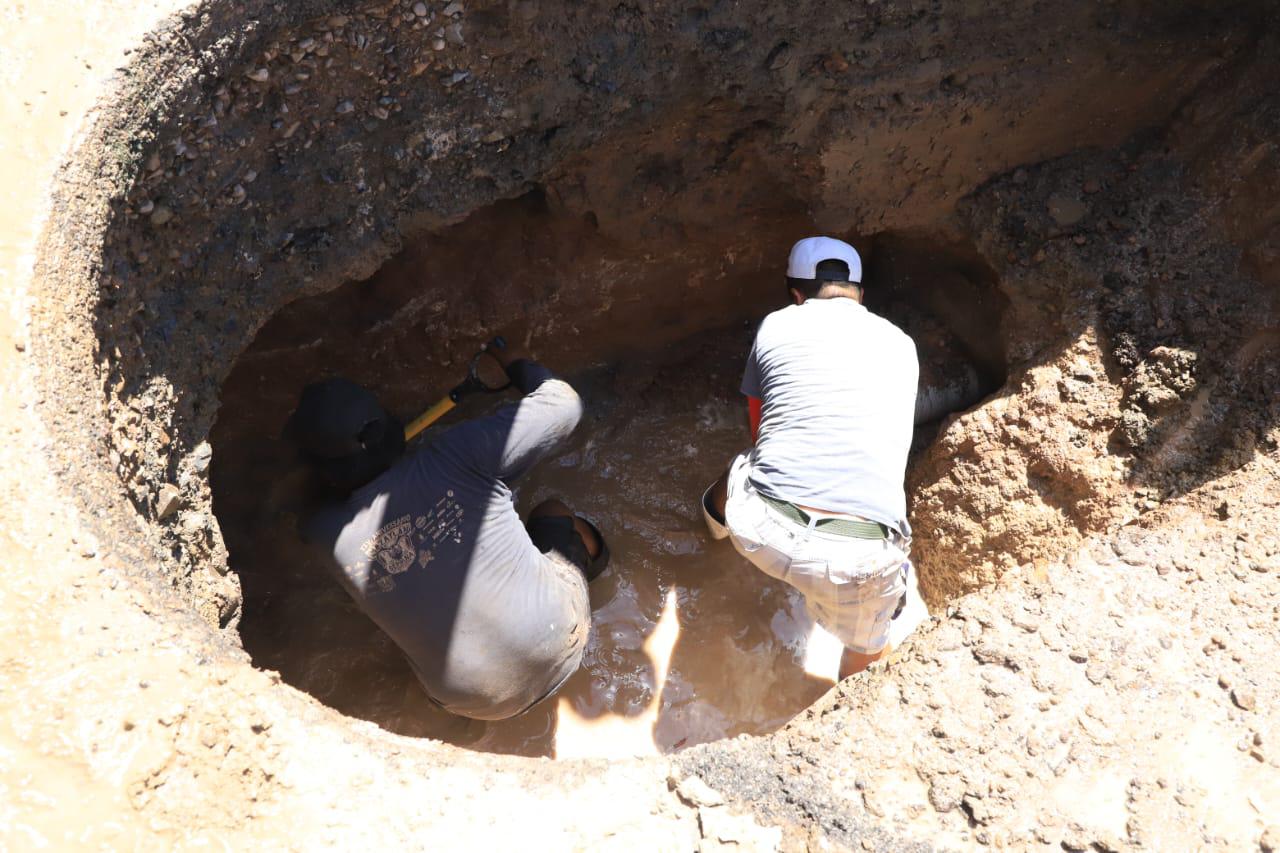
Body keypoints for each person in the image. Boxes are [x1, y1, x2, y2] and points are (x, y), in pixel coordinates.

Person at [284, 344, 608, 721]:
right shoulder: (455, 455)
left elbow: (308, 510)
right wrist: (509, 357)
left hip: (475, 705)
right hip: (558, 639)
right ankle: (594, 569)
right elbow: (564, 404)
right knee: (552, 512)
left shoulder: (323, 534)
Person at [702, 236, 928, 680]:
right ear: (860, 294)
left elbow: (758, 431)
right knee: (867, 657)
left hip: (762, 532)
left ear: (796, 294)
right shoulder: (903, 344)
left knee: (739, 471)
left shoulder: (776, 325)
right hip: (861, 563)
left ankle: (708, 529)